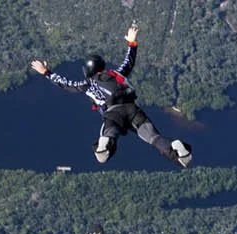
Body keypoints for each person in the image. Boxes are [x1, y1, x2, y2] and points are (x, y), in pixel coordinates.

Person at [32, 27, 194, 167]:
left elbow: (65, 84)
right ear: (102, 66)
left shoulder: (88, 85)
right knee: (154, 138)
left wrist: (46, 72)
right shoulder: (117, 74)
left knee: (110, 138)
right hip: (133, 110)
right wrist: (132, 42)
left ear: (88, 72)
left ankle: (105, 142)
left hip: (113, 113)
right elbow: (129, 61)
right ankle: (177, 151)